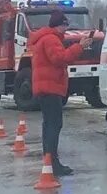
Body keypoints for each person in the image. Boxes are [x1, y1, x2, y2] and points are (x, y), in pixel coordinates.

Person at [30, 10, 92, 176]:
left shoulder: (45, 38)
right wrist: (80, 46)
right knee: (54, 125)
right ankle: (53, 162)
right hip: (50, 88)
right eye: (65, 25)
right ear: (60, 25)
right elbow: (60, 58)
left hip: (45, 87)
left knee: (48, 124)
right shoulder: (51, 39)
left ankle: (49, 160)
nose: (67, 29)